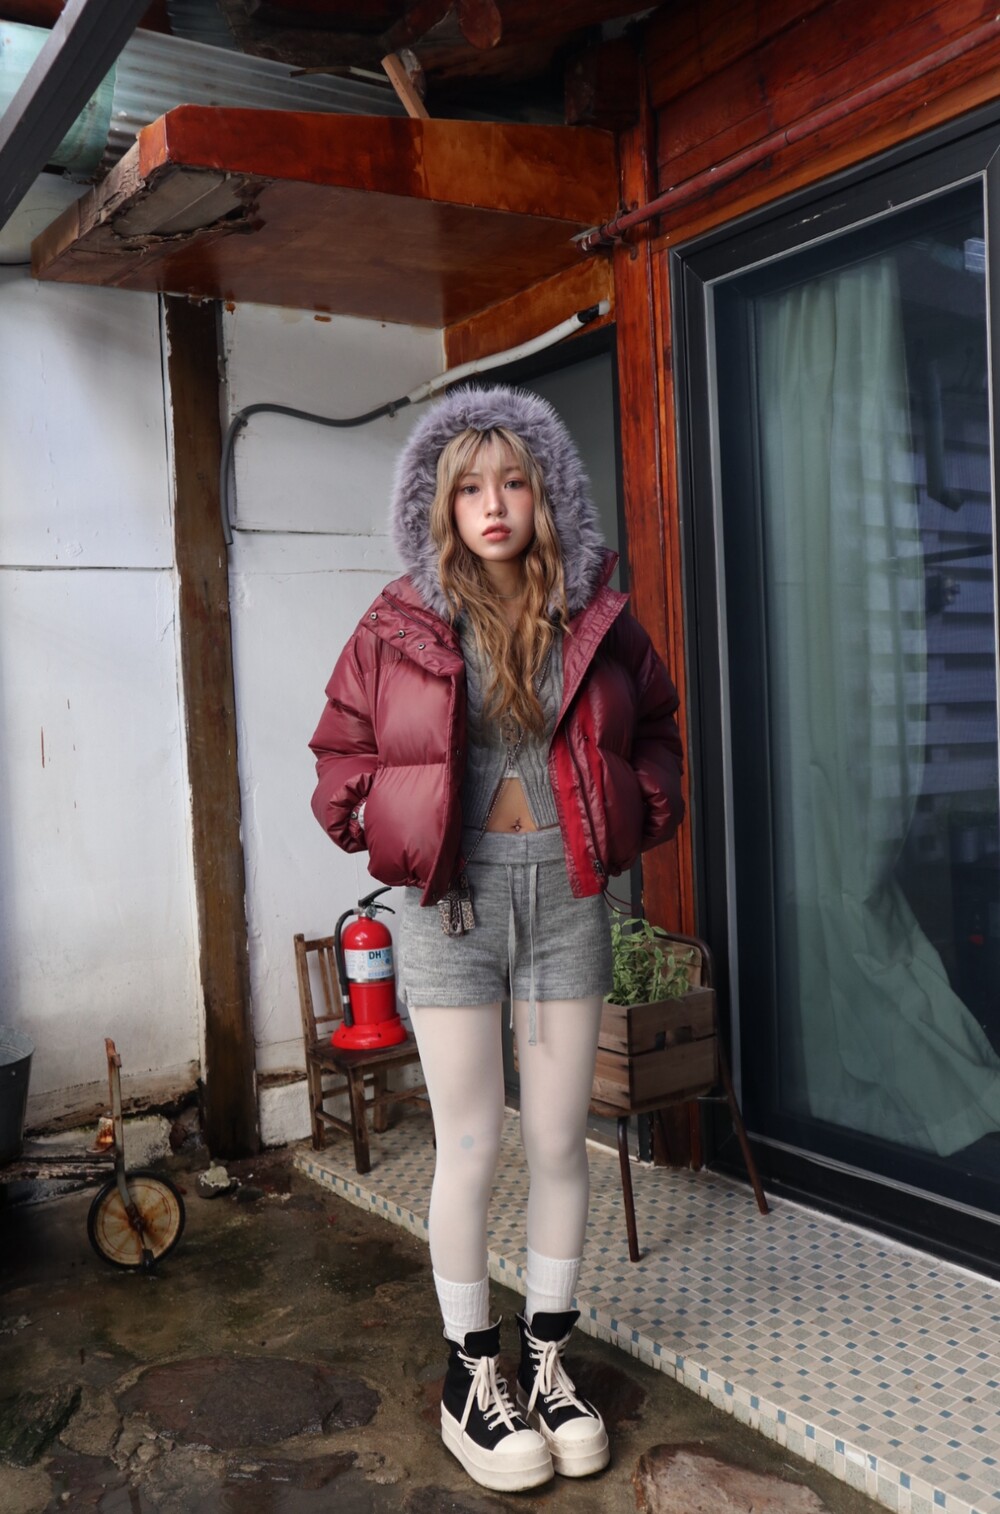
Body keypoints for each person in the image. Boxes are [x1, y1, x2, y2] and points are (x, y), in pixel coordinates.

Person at [309, 384, 684, 1493]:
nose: (493, 503)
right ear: (440, 505)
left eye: (514, 481)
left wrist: (634, 811)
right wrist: (391, 828)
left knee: (561, 1141)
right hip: (453, 908)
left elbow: (656, 729)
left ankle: (548, 1360)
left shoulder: (598, 615)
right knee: (471, 1144)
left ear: (546, 493)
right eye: (469, 487)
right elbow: (340, 754)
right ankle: (473, 1375)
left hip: (567, 898)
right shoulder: (398, 623)